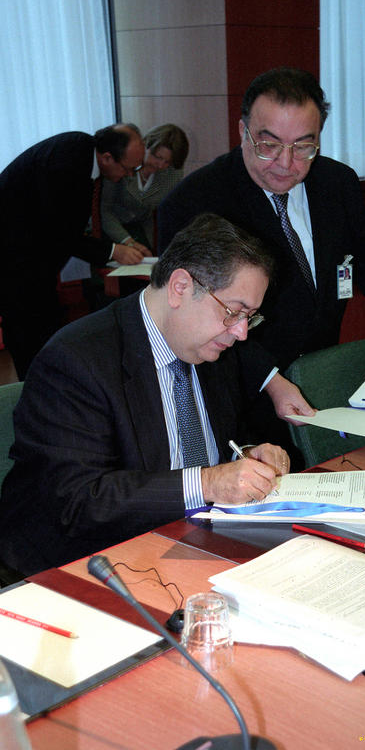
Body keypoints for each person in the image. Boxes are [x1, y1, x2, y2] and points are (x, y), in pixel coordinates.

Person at [157, 67, 365, 454]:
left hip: (318, 379)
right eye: (269, 144)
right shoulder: (197, 202)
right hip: (241, 389)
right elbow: (196, 319)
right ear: (243, 131)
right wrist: (271, 380)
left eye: (303, 146)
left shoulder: (336, 183)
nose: (285, 162)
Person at [0, 214, 289, 579]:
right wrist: (207, 483)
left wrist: (247, 457)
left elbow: (214, 440)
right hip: (85, 562)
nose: (242, 332)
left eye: (250, 316)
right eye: (234, 312)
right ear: (181, 287)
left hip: (191, 543)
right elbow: (78, 501)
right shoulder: (76, 361)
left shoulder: (209, 345)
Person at [0, 124, 148, 379]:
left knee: (46, 327)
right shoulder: (66, 163)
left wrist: (120, 245)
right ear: (107, 157)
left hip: (31, 256)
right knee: (30, 334)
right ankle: (33, 394)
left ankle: (45, 386)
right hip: (13, 257)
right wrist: (114, 251)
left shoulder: (80, 151)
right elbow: (58, 231)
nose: (127, 176)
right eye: (127, 169)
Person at [101, 123, 189, 253]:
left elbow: (171, 208)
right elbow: (105, 210)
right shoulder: (123, 160)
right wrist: (127, 241)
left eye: (167, 162)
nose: (160, 165)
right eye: (158, 157)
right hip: (110, 230)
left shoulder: (172, 172)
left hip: (143, 232)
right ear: (145, 145)